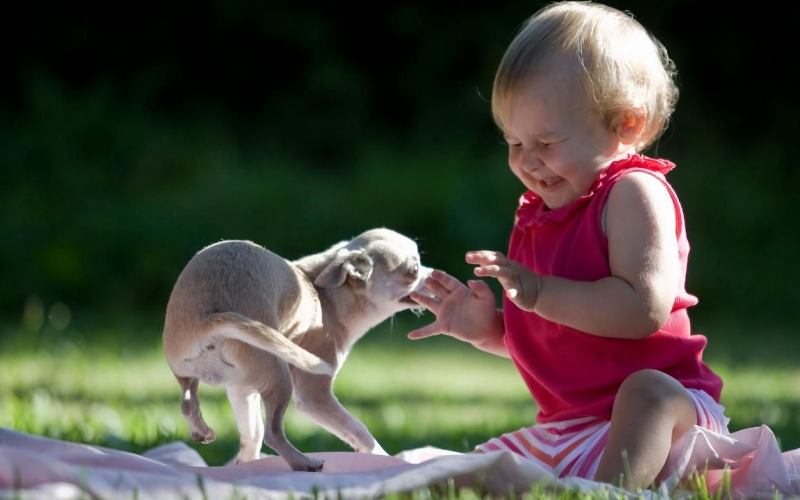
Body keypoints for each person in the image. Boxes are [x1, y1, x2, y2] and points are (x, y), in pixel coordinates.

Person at [408, 1, 727, 491]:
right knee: (460, 475)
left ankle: (609, 492)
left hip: (670, 426)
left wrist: (536, 292)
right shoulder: (540, 213)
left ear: (627, 124)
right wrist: (489, 330)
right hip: (576, 433)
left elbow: (642, 309)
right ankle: (592, 485)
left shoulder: (632, 192)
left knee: (646, 393)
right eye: (514, 143)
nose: (529, 162)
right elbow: (561, 339)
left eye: (547, 142)